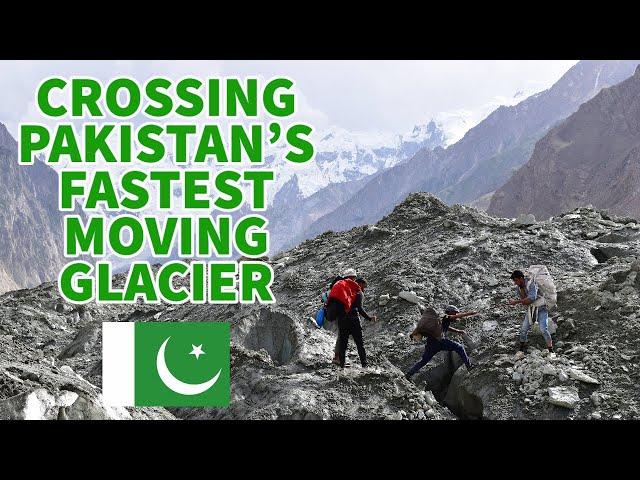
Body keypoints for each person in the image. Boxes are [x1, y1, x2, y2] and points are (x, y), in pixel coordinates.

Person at [405, 305, 478, 379]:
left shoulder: (440, 318)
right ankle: (469, 366)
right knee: (460, 347)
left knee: (423, 361)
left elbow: (445, 327)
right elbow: (454, 317)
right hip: (439, 342)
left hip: (430, 344)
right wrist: (470, 313)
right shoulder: (445, 316)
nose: (455, 315)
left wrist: (458, 331)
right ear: (450, 312)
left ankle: (409, 374)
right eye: (454, 313)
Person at [508, 270, 553, 354]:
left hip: (542, 308)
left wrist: (516, 302)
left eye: (516, 280)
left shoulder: (531, 284)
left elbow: (532, 298)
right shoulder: (519, 288)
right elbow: (525, 301)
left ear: (521, 278)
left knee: (543, 329)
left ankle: (551, 349)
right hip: (531, 309)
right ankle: (522, 347)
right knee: (523, 329)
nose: (515, 283)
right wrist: (520, 301)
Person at [336, 277, 377, 368]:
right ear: (360, 284)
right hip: (354, 320)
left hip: (342, 320)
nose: (364, 289)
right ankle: (365, 366)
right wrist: (369, 318)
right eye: (364, 286)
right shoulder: (358, 292)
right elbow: (360, 309)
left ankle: (341, 367)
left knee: (343, 344)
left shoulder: (344, 291)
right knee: (360, 344)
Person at [325, 268, 361, 365]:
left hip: (336, 313)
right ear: (350, 277)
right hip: (341, 315)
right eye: (354, 278)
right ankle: (337, 358)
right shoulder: (344, 285)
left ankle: (339, 357)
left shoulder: (337, 285)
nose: (354, 280)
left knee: (342, 335)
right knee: (342, 335)